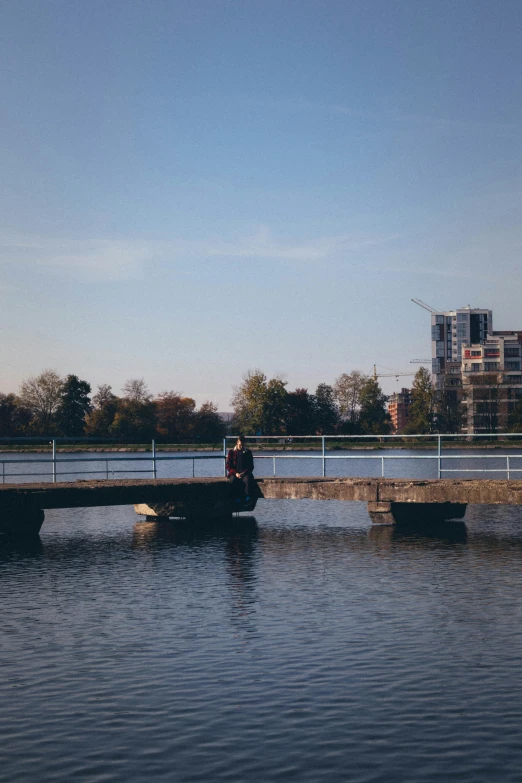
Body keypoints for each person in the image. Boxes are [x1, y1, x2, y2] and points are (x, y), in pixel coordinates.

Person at [226, 435, 255, 503]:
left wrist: (243, 473)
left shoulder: (248, 452)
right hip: (234, 472)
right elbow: (228, 465)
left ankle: (247, 497)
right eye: (240, 444)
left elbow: (251, 466)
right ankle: (235, 497)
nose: (241, 446)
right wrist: (235, 473)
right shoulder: (231, 452)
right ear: (237, 442)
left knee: (247, 480)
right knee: (233, 480)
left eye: (242, 444)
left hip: (245, 473)